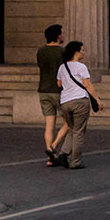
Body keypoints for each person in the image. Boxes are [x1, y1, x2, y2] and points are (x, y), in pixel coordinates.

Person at [55, 40, 102, 170]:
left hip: (65, 101)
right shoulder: (81, 67)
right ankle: (75, 161)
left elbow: (59, 84)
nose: (84, 52)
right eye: (82, 50)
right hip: (80, 100)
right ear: (76, 52)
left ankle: (64, 153)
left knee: (72, 128)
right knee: (79, 132)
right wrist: (97, 99)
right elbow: (87, 84)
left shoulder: (62, 66)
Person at [36, 24, 66, 164]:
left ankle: (50, 156)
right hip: (59, 90)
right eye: (62, 33)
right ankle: (53, 147)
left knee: (49, 125)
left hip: (43, 89)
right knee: (69, 123)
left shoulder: (41, 51)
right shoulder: (62, 52)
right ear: (58, 36)